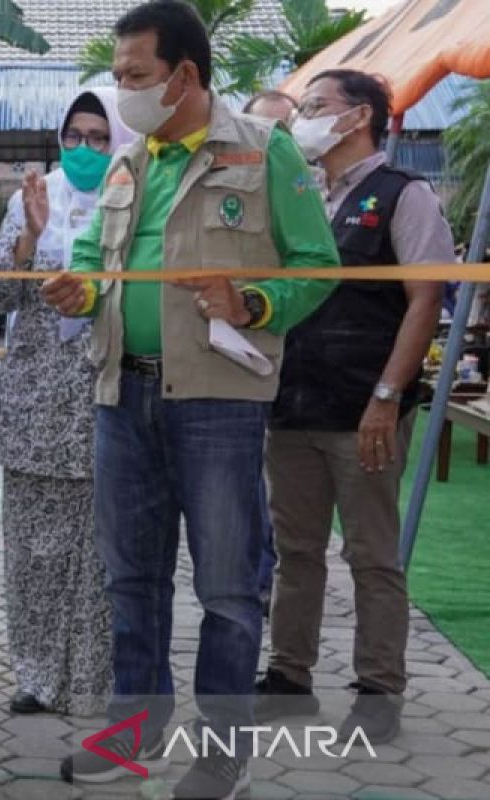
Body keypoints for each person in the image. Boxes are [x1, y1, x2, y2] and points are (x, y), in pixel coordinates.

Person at [41, 2, 339, 796]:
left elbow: (319, 264)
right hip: (120, 393)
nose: (122, 91)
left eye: (135, 76)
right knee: (130, 580)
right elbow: (89, 255)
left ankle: (221, 751)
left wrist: (254, 302)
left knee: (229, 588)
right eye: (118, 76)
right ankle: (133, 733)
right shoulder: (130, 161)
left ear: (185, 76)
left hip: (216, 403)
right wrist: (74, 289)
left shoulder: (265, 151)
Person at [257, 69, 453, 744]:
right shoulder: (301, 192)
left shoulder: (404, 195)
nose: (303, 118)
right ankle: (288, 677)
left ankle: (378, 690)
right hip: (292, 402)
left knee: (372, 554)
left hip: (366, 407)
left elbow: (425, 301)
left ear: (357, 116)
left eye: (315, 106)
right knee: (296, 549)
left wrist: (387, 397)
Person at [0, 87, 135, 717]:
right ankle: (37, 676)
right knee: (35, 551)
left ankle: (92, 681)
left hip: (112, 393)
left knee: (103, 553)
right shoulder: (31, 197)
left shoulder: (138, 202)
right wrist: (29, 240)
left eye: (100, 138)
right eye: (74, 136)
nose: (85, 149)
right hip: (37, 401)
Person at [242, 88, 301, 618]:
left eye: (285, 130)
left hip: (312, 386)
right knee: (252, 494)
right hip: (248, 368)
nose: (275, 142)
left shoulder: (308, 194)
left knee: (286, 509)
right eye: (263, 130)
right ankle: (259, 583)